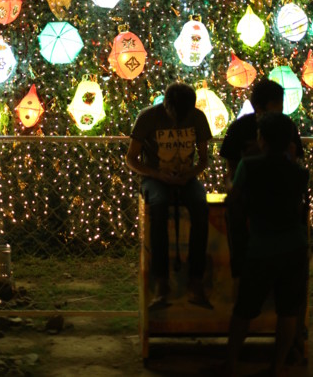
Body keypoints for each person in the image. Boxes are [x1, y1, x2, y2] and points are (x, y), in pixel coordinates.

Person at [221, 112, 309, 377]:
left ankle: (230, 364)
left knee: (245, 309)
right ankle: (278, 367)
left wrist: (233, 188)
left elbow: (233, 199)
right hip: (295, 248)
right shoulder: (300, 173)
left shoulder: (249, 166)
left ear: (262, 139)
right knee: (288, 311)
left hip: (261, 248)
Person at [126, 81, 213, 308]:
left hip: (186, 177)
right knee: (158, 206)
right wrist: (156, 174)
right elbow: (131, 159)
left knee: (201, 208)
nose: (178, 119)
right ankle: (161, 282)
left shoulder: (197, 117)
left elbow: (204, 160)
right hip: (155, 178)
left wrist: (189, 174)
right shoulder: (148, 118)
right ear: (166, 105)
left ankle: (196, 281)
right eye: (175, 114)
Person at [220, 78, 304, 278]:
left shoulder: (286, 126)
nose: (280, 111)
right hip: (249, 191)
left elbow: (294, 163)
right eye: (275, 107)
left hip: (279, 188)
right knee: (235, 212)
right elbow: (231, 171)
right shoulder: (240, 129)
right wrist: (234, 186)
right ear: (258, 107)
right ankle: (241, 269)